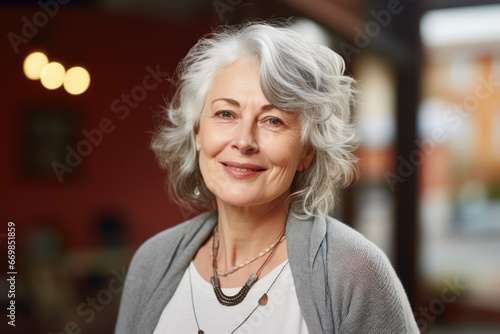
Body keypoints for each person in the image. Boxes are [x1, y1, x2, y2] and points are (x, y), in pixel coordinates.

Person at [114, 21, 419, 333]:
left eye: (273, 120)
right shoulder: (152, 262)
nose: (244, 141)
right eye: (225, 114)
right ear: (197, 133)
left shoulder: (355, 271)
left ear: (307, 151)